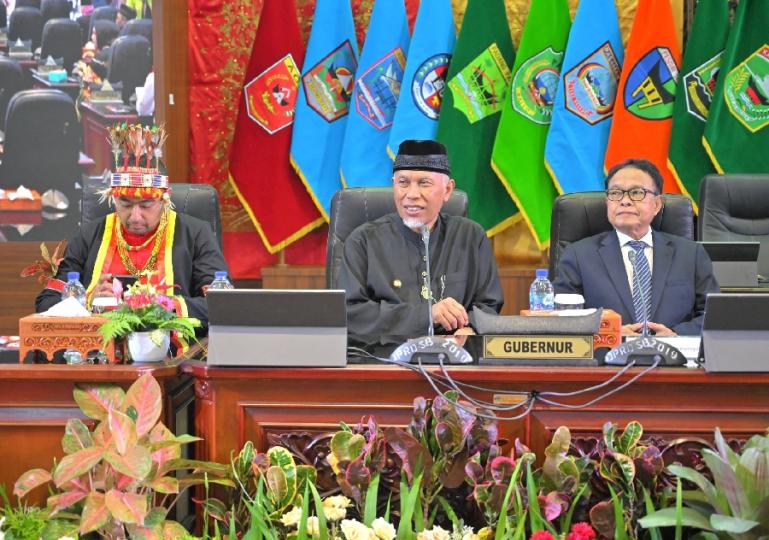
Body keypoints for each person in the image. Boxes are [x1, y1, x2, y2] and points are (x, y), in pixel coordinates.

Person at [35, 124, 228, 331]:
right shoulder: (90, 234)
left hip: (170, 353)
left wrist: (163, 305)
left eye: (146, 205)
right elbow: (46, 302)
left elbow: (222, 305)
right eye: (125, 204)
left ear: (165, 199)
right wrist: (89, 301)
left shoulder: (196, 234)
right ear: (113, 198)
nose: (135, 216)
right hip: (101, 351)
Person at [338, 139, 504, 339]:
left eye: (424, 183)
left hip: (454, 358)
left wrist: (472, 329)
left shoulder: (470, 236)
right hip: (385, 359)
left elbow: (489, 303)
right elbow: (350, 313)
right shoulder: (363, 241)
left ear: (448, 190)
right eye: (403, 183)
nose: (412, 194)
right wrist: (427, 315)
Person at [553, 158, 719, 336]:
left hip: (676, 358)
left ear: (656, 204)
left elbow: (716, 315)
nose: (624, 201)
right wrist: (610, 332)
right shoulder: (578, 255)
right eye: (616, 193)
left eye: (636, 192)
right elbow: (561, 317)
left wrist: (676, 335)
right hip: (607, 357)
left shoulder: (690, 255)